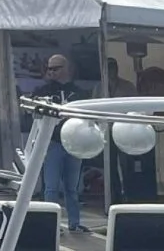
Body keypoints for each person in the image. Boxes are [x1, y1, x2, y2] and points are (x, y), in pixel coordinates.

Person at [30, 54, 91, 233]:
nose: (51, 72)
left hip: (73, 142)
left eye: (55, 68)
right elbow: (33, 110)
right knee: (51, 186)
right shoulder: (42, 91)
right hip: (53, 142)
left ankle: (74, 222)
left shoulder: (79, 93)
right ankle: (52, 223)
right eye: (49, 68)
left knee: (72, 187)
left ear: (66, 68)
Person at [93, 57, 138, 203]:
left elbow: (135, 107)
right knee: (109, 165)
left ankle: (130, 196)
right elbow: (94, 109)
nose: (111, 70)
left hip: (125, 130)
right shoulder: (99, 88)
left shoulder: (128, 86)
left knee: (127, 164)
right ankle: (115, 196)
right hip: (106, 130)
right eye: (108, 68)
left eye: (113, 67)